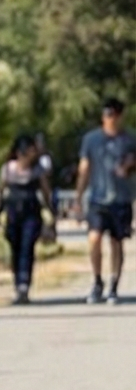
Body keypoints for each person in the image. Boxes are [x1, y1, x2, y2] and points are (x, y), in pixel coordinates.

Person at [74, 97, 135, 303]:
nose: (108, 119)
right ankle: (97, 281)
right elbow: (84, 168)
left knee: (117, 242)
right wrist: (78, 196)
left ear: (119, 117)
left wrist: (129, 166)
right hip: (98, 199)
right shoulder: (91, 140)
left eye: (112, 115)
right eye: (105, 115)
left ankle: (114, 284)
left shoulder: (130, 140)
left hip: (121, 199)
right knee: (94, 238)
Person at [0, 134, 53, 304]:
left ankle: (24, 284)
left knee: (27, 247)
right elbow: (1, 191)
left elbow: (45, 191)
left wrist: (50, 211)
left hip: (31, 212)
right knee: (15, 247)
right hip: (13, 212)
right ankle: (17, 282)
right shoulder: (8, 169)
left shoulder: (37, 171)